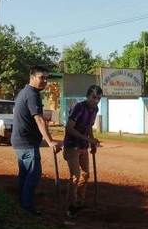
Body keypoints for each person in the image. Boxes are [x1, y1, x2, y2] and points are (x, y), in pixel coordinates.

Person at [11, 65, 61, 216]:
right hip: (27, 143)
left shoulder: (24, 92)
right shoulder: (32, 94)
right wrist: (50, 141)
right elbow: (39, 120)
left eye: (46, 78)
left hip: (20, 141)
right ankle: (27, 209)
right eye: (41, 77)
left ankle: (21, 205)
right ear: (32, 77)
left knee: (25, 175)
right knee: (33, 175)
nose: (45, 81)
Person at [63, 85, 101, 218]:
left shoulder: (95, 109)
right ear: (88, 96)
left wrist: (92, 142)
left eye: (99, 98)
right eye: (94, 97)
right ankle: (71, 206)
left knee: (85, 175)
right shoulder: (78, 107)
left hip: (84, 146)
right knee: (75, 176)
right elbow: (69, 128)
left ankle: (80, 202)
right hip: (72, 146)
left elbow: (89, 126)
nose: (96, 101)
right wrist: (87, 139)